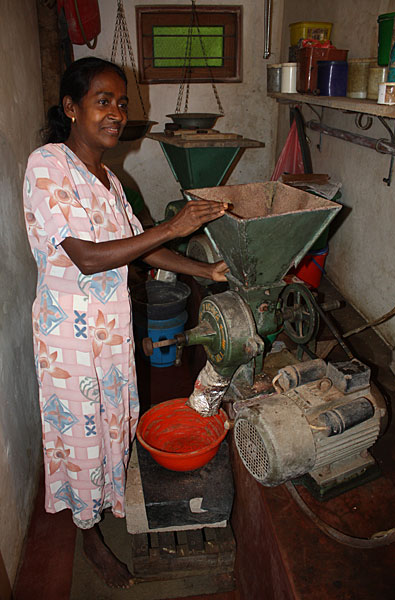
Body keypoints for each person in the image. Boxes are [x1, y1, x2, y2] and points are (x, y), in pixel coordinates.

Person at [23, 56, 229, 589]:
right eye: (102, 101)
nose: (116, 113)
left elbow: (144, 250)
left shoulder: (111, 180)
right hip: (70, 338)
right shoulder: (48, 165)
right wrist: (174, 226)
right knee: (82, 439)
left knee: (112, 424)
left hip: (111, 333)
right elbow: (88, 257)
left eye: (121, 104)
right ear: (71, 107)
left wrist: (206, 267)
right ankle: (87, 536)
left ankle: (108, 501)